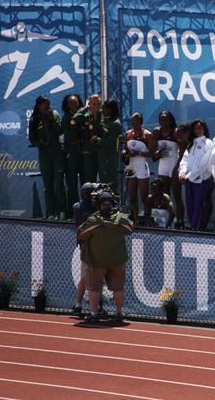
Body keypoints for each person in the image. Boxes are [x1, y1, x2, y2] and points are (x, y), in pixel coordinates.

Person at [78, 191, 132, 323]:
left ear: (98, 205)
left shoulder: (93, 221)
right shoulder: (122, 220)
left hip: (96, 262)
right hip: (117, 261)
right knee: (118, 288)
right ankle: (119, 313)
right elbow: (130, 229)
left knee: (94, 288)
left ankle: (94, 314)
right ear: (112, 204)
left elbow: (81, 235)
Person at [28, 95, 65, 220]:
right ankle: (50, 212)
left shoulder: (54, 114)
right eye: (45, 105)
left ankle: (62, 211)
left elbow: (60, 131)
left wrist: (52, 120)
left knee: (59, 185)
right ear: (39, 105)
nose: (47, 107)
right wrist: (40, 143)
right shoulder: (34, 119)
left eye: (49, 104)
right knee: (48, 185)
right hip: (44, 155)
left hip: (57, 154)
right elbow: (32, 138)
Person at [178, 119, 213, 230]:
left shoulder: (208, 143)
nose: (198, 130)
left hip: (201, 181)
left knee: (198, 207)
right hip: (188, 181)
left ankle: (195, 231)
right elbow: (185, 160)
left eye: (200, 128)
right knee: (190, 207)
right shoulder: (191, 143)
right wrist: (182, 173)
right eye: (196, 128)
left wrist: (188, 176)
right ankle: (194, 229)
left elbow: (203, 165)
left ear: (204, 129)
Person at [122, 112, 153, 224]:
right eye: (133, 122)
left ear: (141, 122)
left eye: (137, 122)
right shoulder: (128, 133)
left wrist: (138, 153)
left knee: (145, 197)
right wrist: (125, 152)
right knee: (132, 197)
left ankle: (147, 220)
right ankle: (135, 221)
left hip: (141, 166)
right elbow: (125, 148)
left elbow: (151, 153)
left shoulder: (147, 134)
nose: (135, 124)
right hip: (131, 166)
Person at [72, 182, 97, 315]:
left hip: (92, 245)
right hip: (89, 246)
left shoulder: (79, 206)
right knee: (87, 276)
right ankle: (80, 304)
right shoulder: (86, 206)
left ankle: (79, 304)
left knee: (88, 276)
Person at [61, 93, 84, 218]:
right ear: (67, 105)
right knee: (72, 184)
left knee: (86, 183)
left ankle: (86, 211)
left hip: (84, 155)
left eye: (75, 102)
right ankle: (73, 212)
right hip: (71, 155)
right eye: (71, 103)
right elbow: (70, 137)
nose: (73, 104)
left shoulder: (84, 116)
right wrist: (78, 140)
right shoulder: (66, 118)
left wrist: (81, 140)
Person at [94, 99, 122, 196]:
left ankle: (115, 205)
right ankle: (104, 204)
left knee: (111, 183)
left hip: (109, 159)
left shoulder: (116, 123)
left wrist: (97, 140)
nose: (102, 110)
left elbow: (110, 142)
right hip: (102, 157)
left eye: (104, 108)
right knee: (103, 183)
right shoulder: (106, 120)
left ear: (110, 109)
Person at [75, 94, 102, 183]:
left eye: (98, 104)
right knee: (89, 179)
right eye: (94, 104)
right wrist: (85, 108)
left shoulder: (103, 116)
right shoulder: (85, 116)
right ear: (89, 104)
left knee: (104, 178)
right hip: (88, 152)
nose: (96, 106)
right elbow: (75, 118)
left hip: (101, 152)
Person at [152, 111, 178, 195]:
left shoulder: (175, 132)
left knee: (177, 196)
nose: (163, 122)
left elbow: (182, 151)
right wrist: (157, 153)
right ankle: (166, 209)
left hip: (174, 167)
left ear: (170, 120)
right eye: (161, 120)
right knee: (164, 195)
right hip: (162, 168)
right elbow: (154, 152)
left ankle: (176, 209)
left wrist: (177, 168)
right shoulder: (156, 132)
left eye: (166, 119)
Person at [171, 123, 190, 228]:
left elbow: (181, 158)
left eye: (180, 135)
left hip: (186, 172)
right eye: (176, 135)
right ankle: (179, 220)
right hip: (181, 170)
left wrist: (175, 169)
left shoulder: (188, 144)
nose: (178, 137)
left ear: (186, 133)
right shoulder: (180, 142)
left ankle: (181, 220)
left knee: (180, 198)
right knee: (177, 196)